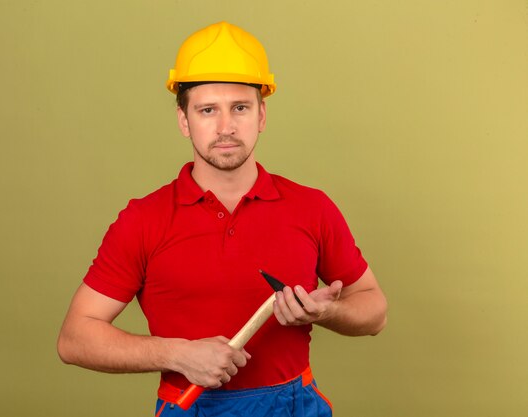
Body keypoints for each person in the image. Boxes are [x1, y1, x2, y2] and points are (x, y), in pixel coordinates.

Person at [57, 21, 387, 417]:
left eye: (240, 108)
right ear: (184, 121)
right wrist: (178, 354)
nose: (226, 126)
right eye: (208, 110)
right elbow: (75, 338)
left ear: (261, 115)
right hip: (191, 405)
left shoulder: (311, 207)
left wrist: (327, 312)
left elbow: (375, 311)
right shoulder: (143, 220)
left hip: (294, 405)